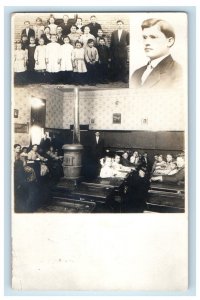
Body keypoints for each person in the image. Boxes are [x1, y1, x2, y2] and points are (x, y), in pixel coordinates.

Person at [131, 18, 182, 90]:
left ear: (169, 41)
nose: (147, 42)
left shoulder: (179, 73)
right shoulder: (136, 74)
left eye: (153, 37)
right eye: (144, 37)